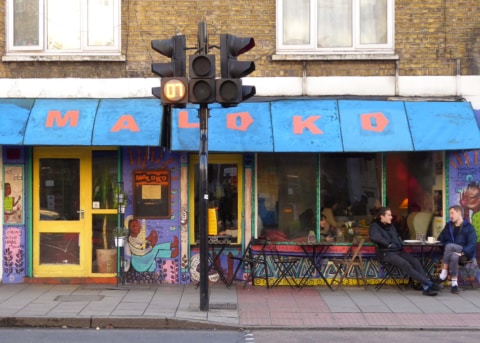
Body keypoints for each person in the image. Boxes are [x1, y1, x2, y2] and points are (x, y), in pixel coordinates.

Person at [369, 207, 440, 296]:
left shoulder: (391, 226)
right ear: (381, 217)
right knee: (405, 264)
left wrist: (399, 243)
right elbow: (375, 237)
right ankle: (430, 284)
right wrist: (389, 245)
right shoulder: (375, 226)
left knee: (415, 261)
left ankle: (425, 287)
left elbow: (397, 236)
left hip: (397, 251)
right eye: (389, 215)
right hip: (385, 253)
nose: (391, 217)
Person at [437, 205, 477, 294]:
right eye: (449, 213)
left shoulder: (469, 227)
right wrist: (449, 249)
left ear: (459, 213)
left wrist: (462, 252)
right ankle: (454, 284)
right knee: (453, 254)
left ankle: (444, 273)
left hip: (464, 254)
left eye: (452, 213)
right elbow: (440, 239)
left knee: (450, 246)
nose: (450, 216)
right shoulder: (448, 226)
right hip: (452, 254)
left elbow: (472, 244)